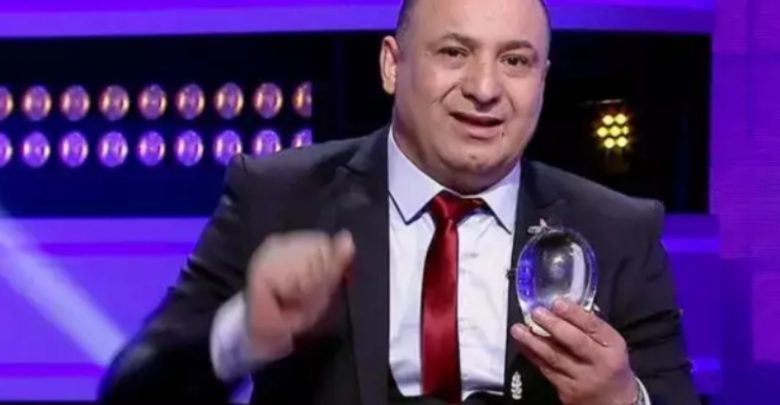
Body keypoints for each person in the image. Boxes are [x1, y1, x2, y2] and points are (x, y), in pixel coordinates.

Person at [99, 0, 700, 404]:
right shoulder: (280, 197)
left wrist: (623, 400)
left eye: (515, 60)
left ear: (543, 77)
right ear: (392, 65)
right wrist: (244, 332)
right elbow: (132, 390)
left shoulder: (618, 229)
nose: (485, 88)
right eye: (454, 52)